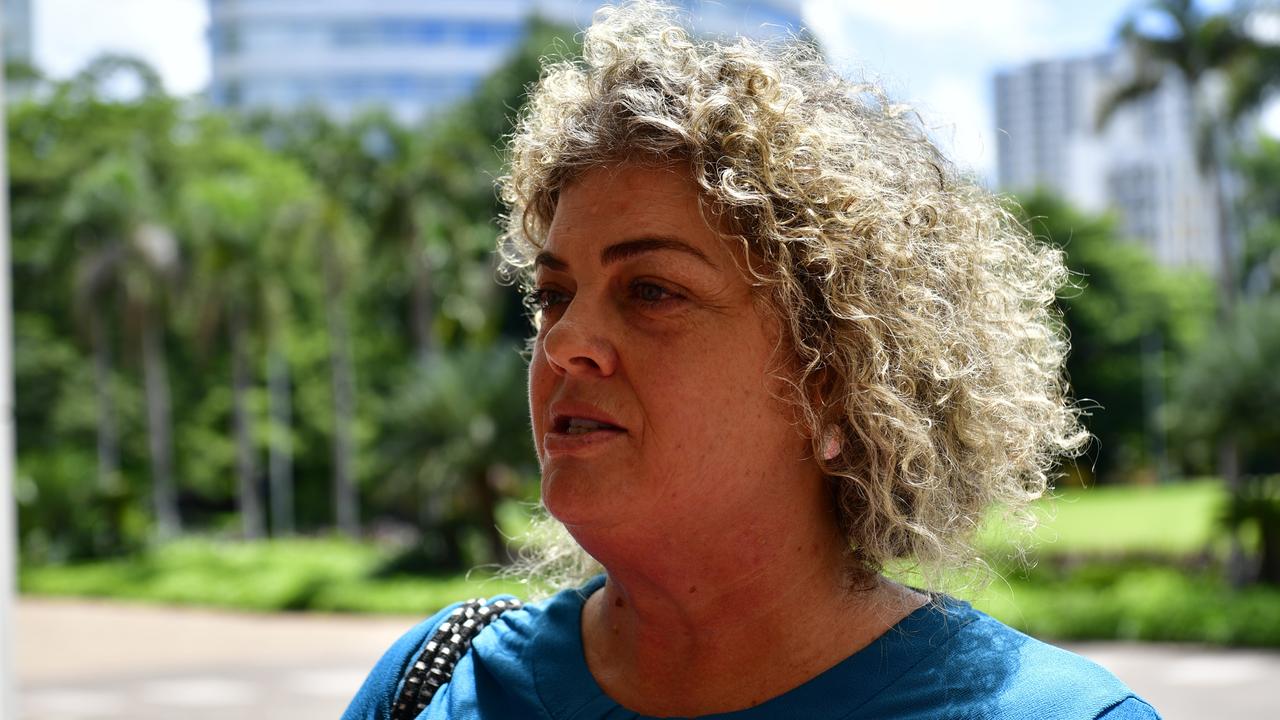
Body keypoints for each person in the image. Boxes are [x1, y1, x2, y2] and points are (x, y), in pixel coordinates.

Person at [344, 2, 1160, 718]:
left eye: (652, 292)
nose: (562, 344)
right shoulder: (436, 684)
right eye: (555, 295)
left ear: (835, 383)